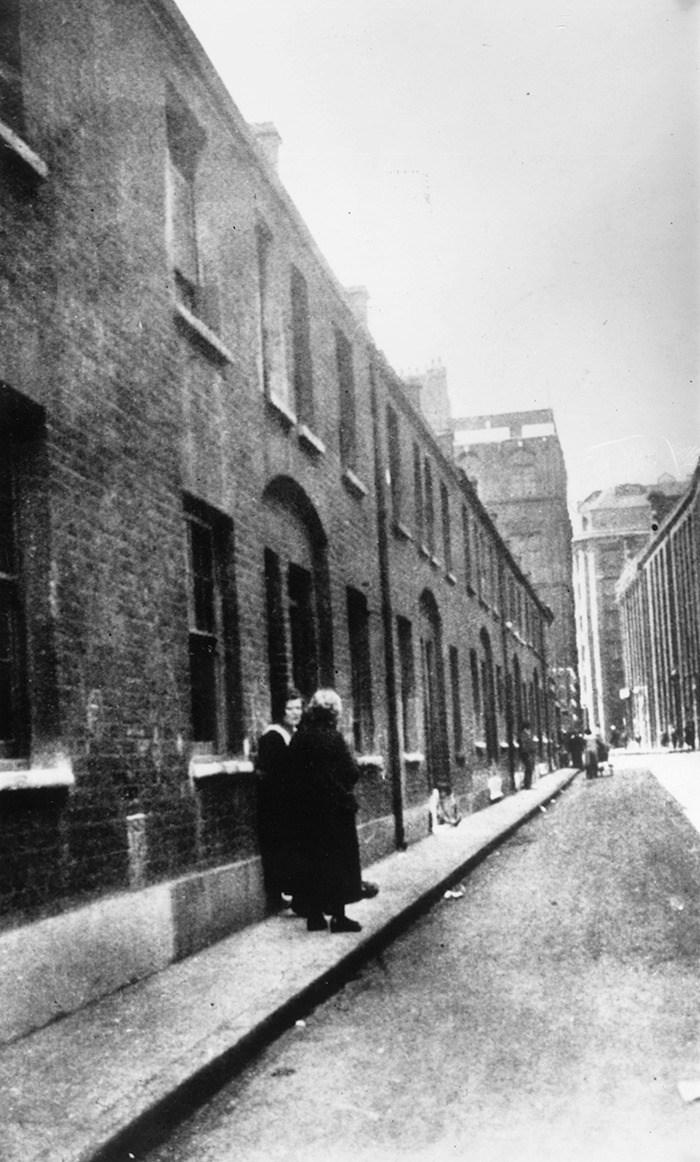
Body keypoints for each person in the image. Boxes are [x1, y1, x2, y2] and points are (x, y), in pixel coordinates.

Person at [286, 688, 366, 933]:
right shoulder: (334, 738)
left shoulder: (300, 737)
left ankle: (315, 917)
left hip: (306, 812)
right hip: (334, 812)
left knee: (311, 861)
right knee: (338, 863)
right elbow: (351, 772)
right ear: (334, 713)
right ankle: (339, 918)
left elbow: (290, 773)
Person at [255, 687, 304, 911]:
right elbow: (276, 775)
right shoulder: (273, 737)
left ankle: (296, 891)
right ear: (281, 711)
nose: (295, 712)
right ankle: (284, 892)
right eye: (290, 708)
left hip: (292, 805)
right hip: (278, 807)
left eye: (298, 707)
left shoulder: (294, 734)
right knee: (283, 849)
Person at [518, 721, 536, 790]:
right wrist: (528, 754)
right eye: (529, 728)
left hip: (528, 754)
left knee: (529, 768)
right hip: (526, 754)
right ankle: (527, 785)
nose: (530, 729)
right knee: (529, 768)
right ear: (526, 728)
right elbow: (524, 745)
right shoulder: (524, 735)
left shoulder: (525, 734)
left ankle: (528, 784)